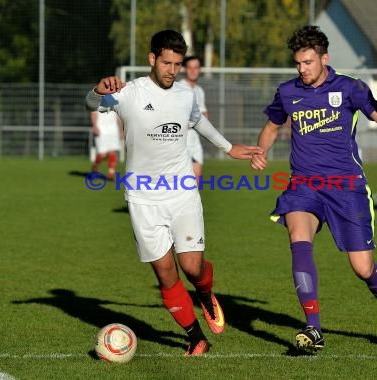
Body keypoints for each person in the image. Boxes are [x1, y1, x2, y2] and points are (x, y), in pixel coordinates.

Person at [85, 30, 262, 356]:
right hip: (142, 199)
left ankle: (205, 293)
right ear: (152, 59)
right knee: (166, 274)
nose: (172, 70)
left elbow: (197, 122)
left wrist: (228, 147)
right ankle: (196, 337)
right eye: (166, 62)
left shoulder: (184, 94)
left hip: (181, 193)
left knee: (193, 267)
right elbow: (92, 104)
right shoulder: (129, 93)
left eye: (177, 64)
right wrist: (96, 90)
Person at [250, 25, 377, 352]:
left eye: (308, 62)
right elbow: (272, 124)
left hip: (347, 187)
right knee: (298, 239)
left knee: (363, 268)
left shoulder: (350, 88)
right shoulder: (288, 92)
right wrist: (260, 149)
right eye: (298, 63)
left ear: (324, 58)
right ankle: (314, 328)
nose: (302, 69)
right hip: (304, 185)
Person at [179, 56, 208, 182]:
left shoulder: (199, 90)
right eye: (190, 68)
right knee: (177, 184)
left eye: (196, 68)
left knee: (195, 181)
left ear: (200, 70)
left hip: (194, 141)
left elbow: (203, 113)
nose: (193, 71)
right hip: (179, 140)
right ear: (184, 69)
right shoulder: (178, 88)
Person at [90, 109, 123, 180]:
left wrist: (120, 130)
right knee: (102, 154)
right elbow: (93, 113)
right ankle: (95, 166)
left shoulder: (116, 101)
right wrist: (95, 126)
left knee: (112, 152)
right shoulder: (97, 100)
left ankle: (111, 173)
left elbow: (118, 117)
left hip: (113, 130)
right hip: (101, 130)